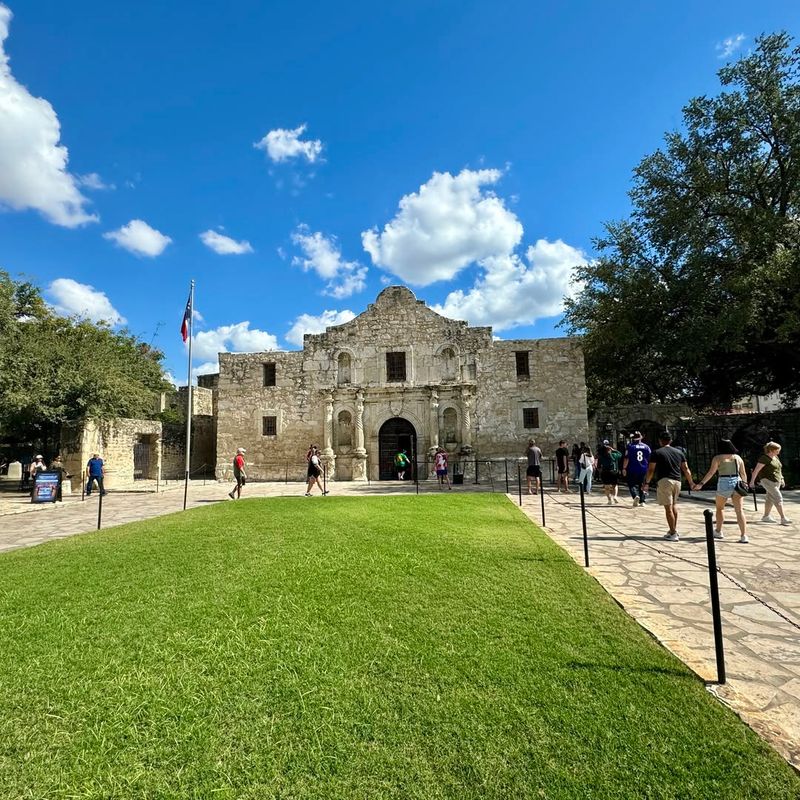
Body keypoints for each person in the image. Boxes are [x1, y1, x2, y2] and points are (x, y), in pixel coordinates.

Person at [693, 439, 749, 543]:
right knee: (739, 510)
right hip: (737, 482)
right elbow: (743, 473)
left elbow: (711, 473)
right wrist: (745, 484)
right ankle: (743, 535)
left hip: (724, 481)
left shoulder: (717, 458)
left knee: (720, 508)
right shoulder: (737, 458)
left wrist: (701, 484)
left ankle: (718, 531)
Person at [643, 431, 694, 541]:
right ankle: (673, 529)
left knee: (668, 508)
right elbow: (685, 468)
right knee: (674, 505)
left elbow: (651, 469)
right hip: (677, 480)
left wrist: (647, 482)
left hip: (664, 480)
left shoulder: (656, 453)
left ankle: (673, 532)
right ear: (670, 440)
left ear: (660, 441)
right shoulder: (679, 452)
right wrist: (691, 482)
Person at [750, 441, 792, 526]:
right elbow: (756, 470)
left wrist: (782, 478)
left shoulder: (776, 457)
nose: (779, 451)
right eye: (777, 450)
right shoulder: (764, 458)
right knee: (778, 497)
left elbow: (779, 469)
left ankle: (766, 516)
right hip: (767, 480)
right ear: (772, 450)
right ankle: (783, 518)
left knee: (770, 499)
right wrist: (752, 481)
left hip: (776, 481)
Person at [623, 431, 651, 507]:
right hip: (643, 469)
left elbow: (627, 458)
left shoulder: (630, 446)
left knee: (632, 484)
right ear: (640, 438)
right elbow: (649, 458)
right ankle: (642, 501)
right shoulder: (646, 447)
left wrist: (624, 468)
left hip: (632, 468)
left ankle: (635, 495)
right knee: (642, 484)